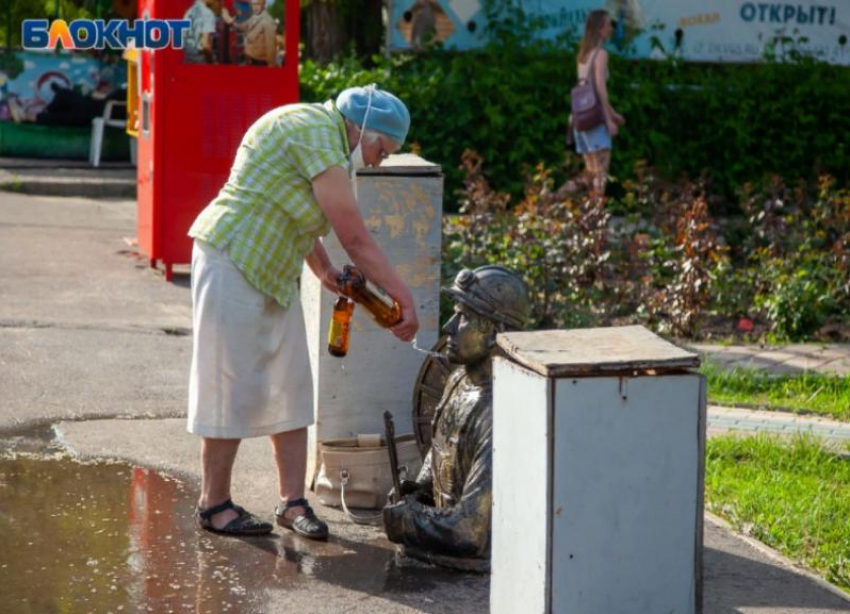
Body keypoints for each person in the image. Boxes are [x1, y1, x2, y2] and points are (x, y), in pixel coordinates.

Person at [188, 84, 420, 540]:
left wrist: (325, 270)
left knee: (291, 384)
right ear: (362, 130)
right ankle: (213, 504)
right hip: (232, 258)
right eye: (380, 149)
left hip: (270, 268)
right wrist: (403, 298)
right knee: (227, 384)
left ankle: (293, 503)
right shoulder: (316, 131)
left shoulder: (328, 139)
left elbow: (295, 209)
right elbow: (354, 236)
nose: (378, 161)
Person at [382, 266, 530, 571]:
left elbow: (469, 531)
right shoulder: (458, 379)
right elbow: (444, 444)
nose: (449, 327)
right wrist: (421, 487)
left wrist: (410, 521)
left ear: (494, 333)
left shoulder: (500, 412)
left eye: (463, 317)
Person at [569, 9, 625, 195]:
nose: (611, 29)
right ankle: (596, 217)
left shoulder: (583, 55)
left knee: (590, 174)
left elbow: (588, 89)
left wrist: (612, 112)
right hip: (595, 120)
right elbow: (600, 87)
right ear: (600, 29)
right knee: (601, 174)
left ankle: (554, 198)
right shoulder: (601, 54)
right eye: (609, 25)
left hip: (580, 118)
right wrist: (608, 120)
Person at [222, 0, 278, 66]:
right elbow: (243, 26)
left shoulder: (268, 21)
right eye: (253, 4)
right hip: (250, 60)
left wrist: (271, 64)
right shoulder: (254, 18)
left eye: (258, 4)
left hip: (260, 62)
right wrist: (232, 22)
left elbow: (270, 46)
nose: (255, 7)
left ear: (263, 5)